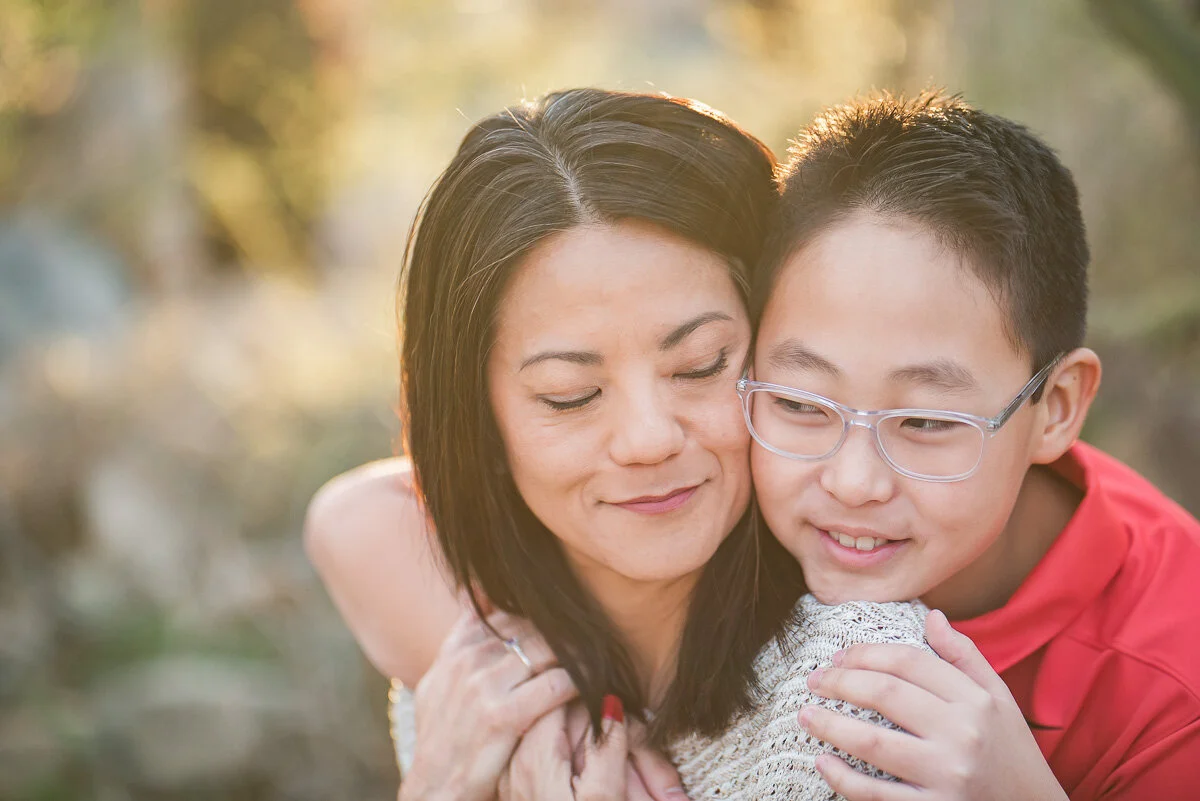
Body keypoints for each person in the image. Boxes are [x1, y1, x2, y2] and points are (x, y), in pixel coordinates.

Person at [307, 87, 932, 801]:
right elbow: (348, 514)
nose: (648, 439)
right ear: (478, 414)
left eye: (701, 365)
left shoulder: (865, 696)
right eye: (570, 395)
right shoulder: (474, 667)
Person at [751, 92, 1200, 799]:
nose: (853, 481)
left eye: (927, 422)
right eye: (802, 404)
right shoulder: (708, 509)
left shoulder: (1176, 686)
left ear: (1054, 407)